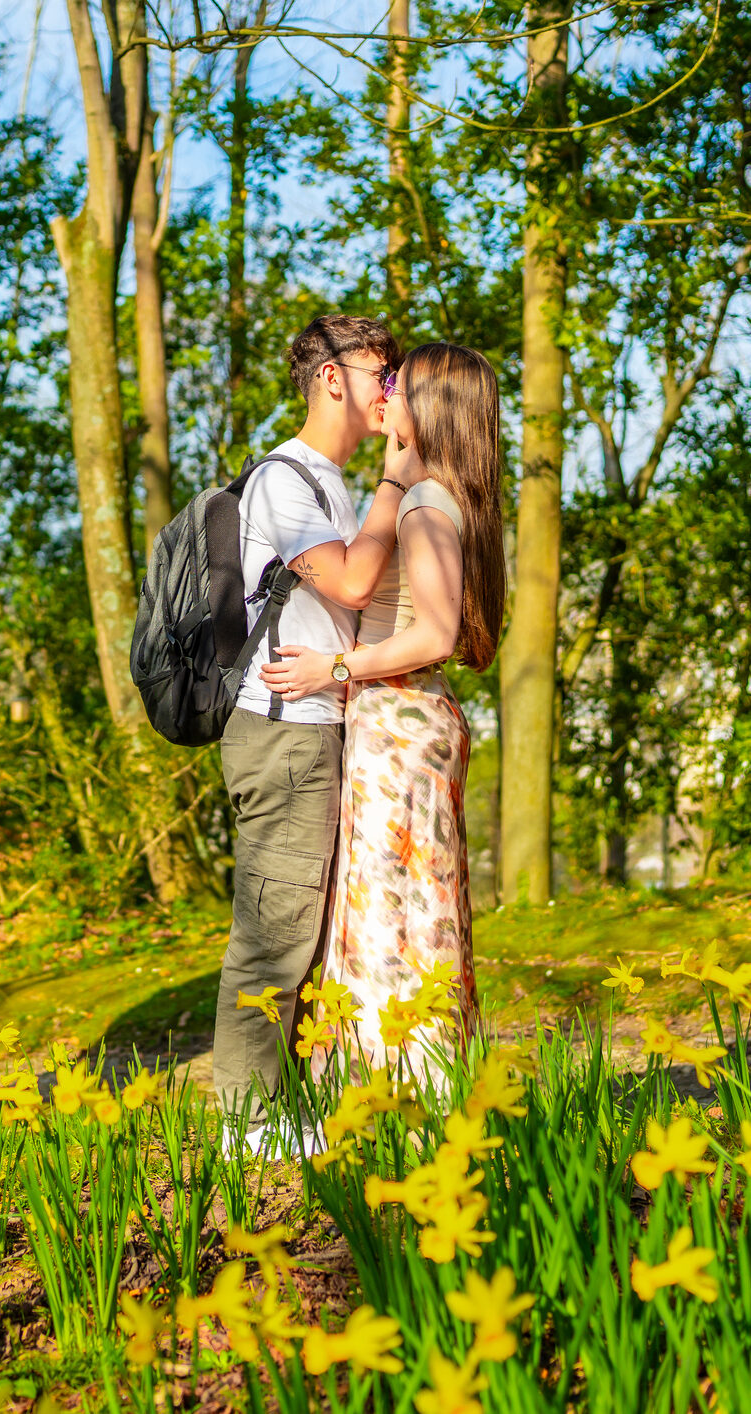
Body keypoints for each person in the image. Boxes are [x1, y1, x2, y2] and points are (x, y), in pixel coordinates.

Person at [260, 343, 505, 1078]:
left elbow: (432, 632)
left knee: (388, 911)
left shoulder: (427, 505)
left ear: (427, 407)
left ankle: (395, 1088)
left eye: (397, 386)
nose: (386, 396)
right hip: (413, 720)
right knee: (410, 901)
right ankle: (418, 1083)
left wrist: (331, 666)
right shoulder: (448, 497)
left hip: (398, 725)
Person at [213, 314, 421, 1154]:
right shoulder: (286, 481)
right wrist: (396, 481)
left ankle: (286, 1102)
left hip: (321, 725)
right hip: (283, 734)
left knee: (311, 930)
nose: (394, 387)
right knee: (274, 929)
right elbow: (351, 578)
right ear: (332, 377)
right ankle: (245, 1123)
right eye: (384, 370)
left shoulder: (328, 483)